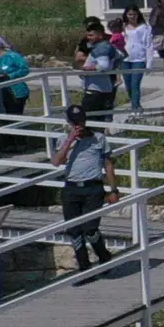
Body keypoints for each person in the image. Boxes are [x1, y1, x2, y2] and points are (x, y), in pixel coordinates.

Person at [55, 110, 115, 268]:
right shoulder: (64, 139)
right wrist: (70, 141)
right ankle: (84, 267)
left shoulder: (99, 138)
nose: (78, 125)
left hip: (92, 188)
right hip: (72, 188)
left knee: (90, 229)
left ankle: (104, 257)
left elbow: (108, 164)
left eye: (80, 121)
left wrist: (113, 189)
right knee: (74, 231)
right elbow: (56, 162)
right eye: (74, 122)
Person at [118, 6, 158, 110]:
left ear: (138, 15)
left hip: (139, 60)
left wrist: (149, 63)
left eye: (134, 14)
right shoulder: (122, 28)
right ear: (126, 15)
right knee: (128, 85)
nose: (132, 17)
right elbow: (117, 42)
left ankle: (135, 109)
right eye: (130, 14)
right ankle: (136, 104)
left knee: (135, 84)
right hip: (125, 59)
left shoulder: (144, 27)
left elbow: (149, 46)